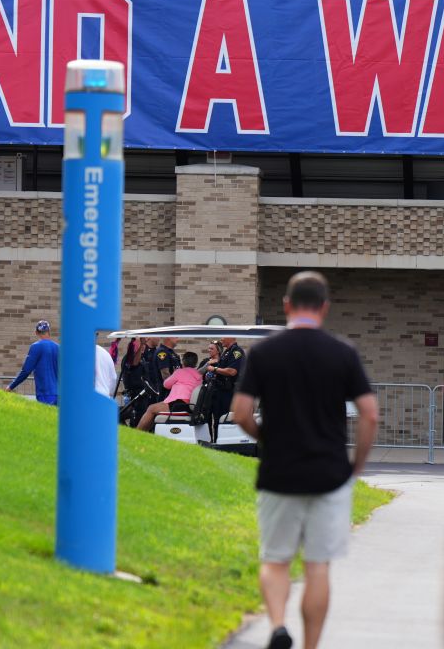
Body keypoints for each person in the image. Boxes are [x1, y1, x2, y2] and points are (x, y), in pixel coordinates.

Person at [231, 271, 380, 649]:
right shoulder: (342, 352)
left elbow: (241, 413)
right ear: (325, 307)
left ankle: (279, 627)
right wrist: (356, 465)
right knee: (318, 567)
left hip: (279, 471)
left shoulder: (264, 352)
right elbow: (370, 413)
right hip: (329, 473)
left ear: (286, 305)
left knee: (275, 560)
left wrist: (266, 438)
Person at [137, 352, 204, 431]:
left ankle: (136, 435)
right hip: (189, 405)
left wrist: (174, 374)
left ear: (183, 362)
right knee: (155, 410)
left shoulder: (179, 372)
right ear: (195, 363)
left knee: (151, 408)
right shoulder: (199, 375)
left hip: (179, 404)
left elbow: (166, 384)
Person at [6, 320, 59, 405]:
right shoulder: (58, 348)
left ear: (36, 332)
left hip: (45, 393)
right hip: (60, 394)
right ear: (49, 332)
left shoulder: (36, 347)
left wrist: (11, 386)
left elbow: (26, 371)